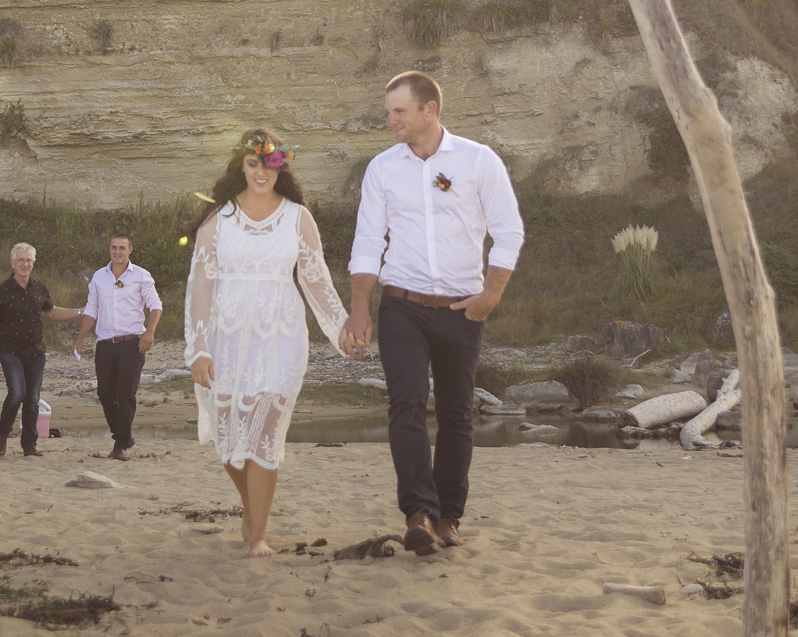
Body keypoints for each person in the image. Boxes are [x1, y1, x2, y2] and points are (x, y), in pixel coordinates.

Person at [341, 71, 523, 555]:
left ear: (429, 110)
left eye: (398, 111)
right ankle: (417, 513)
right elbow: (366, 240)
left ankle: (448, 518)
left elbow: (509, 232)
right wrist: (359, 309)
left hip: (463, 309)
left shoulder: (478, 161)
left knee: (456, 413)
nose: (390, 120)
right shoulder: (382, 168)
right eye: (388, 112)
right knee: (404, 405)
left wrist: (491, 295)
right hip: (401, 303)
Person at [185, 128, 354, 558]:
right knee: (228, 437)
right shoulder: (217, 218)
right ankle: (250, 508)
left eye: (269, 164)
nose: (261, 172)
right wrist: (198, 346)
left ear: (281, 166)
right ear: (241, 166)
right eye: (252, 164)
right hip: (225, 337)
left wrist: (341, 329)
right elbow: (200, 285)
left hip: (280, 336)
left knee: (264, 433)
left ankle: (258, 533)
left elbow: (315, 280)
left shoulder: (298, 217)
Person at [0, 242, 80, 457]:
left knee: (33, 399)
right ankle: (2, 432)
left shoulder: (39, 287)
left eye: (28, 260)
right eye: (21, 260)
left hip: (36, 351)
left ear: (33, 263)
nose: (25, 264)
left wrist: (81, 311)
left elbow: (52, 312)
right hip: (10, 350)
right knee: (17, 393)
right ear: (12, 263)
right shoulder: (1, 292)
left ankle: (29, 446)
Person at [75, 232, 161, 461]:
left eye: (122, 248)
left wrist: (150, 332)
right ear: (109, 249)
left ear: (130, 250)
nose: (117, 252)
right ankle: (124, 436)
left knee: (126, 394)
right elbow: (91, 309)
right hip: (104, 344)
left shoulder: (141, 276)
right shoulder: (99, 277)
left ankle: (120, 445)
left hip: (132, 343)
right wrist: (80, 337)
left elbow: (155, 305)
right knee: (105, 394)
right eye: (114, 247)